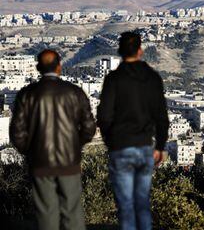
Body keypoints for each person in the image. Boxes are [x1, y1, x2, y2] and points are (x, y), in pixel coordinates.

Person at [9, 49, 96, 230]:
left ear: (38, 67)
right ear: (59, 67)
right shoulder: (75, 92)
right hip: (69, 162)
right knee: (72, 212)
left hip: (40, 162)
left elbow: (17, 133)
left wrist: (31, 151)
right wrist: (74, 145)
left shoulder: (27, 94)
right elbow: (89, 128)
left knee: (46, 213)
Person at [97, 32, 169, 230]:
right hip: (145, 147)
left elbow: (103, 116)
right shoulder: (153, 78)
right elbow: (162, 117)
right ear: (140, 51)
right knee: (142, 204)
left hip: (120, 147)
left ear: (120, 52)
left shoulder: (113, 79)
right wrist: (161, 147)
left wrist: (110, 142)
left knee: (126, 206)